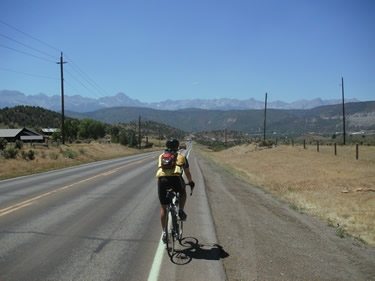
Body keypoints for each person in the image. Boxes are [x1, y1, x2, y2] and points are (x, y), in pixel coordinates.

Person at [156, 138, 195, 243]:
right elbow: (187, 173)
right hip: (176, 179)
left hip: (162, 181)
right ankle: (181, 211)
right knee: (183, 192)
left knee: (163, 208)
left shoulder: (161, 156)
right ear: (177, 147)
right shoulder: (181, 157)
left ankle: (164, 232)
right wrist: (191, 182)